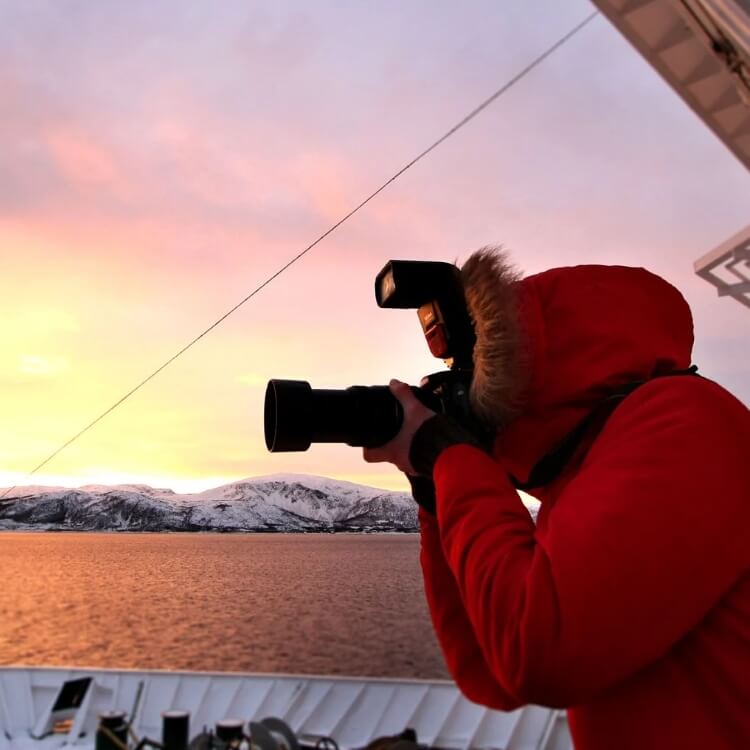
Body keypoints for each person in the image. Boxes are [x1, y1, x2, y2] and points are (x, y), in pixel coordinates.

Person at [363, 247, 750, 750]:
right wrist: (436, 489)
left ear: (525, 371)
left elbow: (537, 655)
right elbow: (491, 672)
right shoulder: (581, 482)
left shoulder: (686, 422)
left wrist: (453, 458)